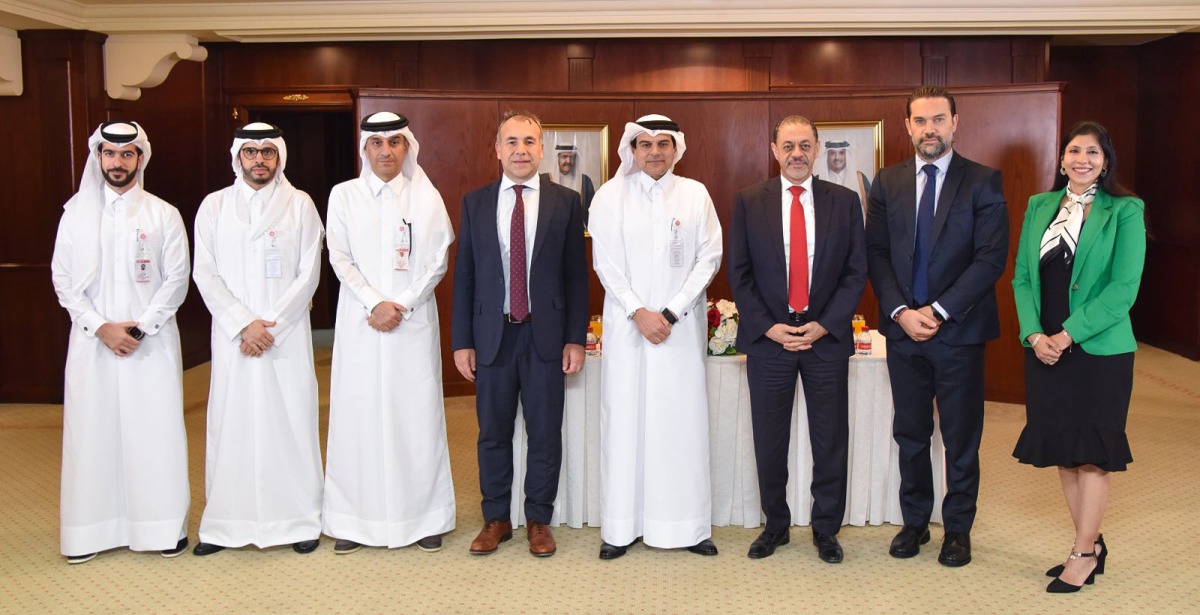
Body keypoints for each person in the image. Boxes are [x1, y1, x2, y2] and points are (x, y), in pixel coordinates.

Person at [865, 86, 1009, 567]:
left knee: (961, 437)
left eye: (938, 120)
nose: (930, 129)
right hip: (904, 332)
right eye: (921, 121)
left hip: (959, 333)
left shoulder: (984, 181)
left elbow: (990, 260)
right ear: (906, 126)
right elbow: (877, 254)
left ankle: (958, 531)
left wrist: (940, 311)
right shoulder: (887, 182)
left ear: (955, 123)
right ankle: (914, 523)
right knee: (910, 433)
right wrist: (901, 313)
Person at [1011, 121, 1145, 593]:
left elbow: (1123, 291)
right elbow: (1022, 279)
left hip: (1098, 351)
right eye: (1073, 150)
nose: (1081, 159)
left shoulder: (1125, 211)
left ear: (1106, 160)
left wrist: (1065, 335)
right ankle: (1090, 541)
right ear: (1062, 158)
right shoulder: (1039, 206)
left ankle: (1083, 553)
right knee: (1066, 454)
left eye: (1092, 152)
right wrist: (1033, 333)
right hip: (1043, 350)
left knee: (1093, 456)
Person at [728, 116, 867, 562]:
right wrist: (768, 326)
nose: (796, 154)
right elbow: (739, 273)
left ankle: (827, 529)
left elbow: (855, 272)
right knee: (770, 439)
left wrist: (825, 323)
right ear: (774, 150)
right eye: (788, 145)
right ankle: (776, 525)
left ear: (818, 148)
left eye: (805, 145)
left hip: (824, 338)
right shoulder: (750, 201)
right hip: (770, 339)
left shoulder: (843, 202)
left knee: (830, 439)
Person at [50, 121, 191, 564]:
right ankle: (90, 533)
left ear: (140, 159)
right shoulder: (75, 214)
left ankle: (162, 528)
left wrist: (140, 328)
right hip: (93, 343)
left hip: (150, 343)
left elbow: (176, 279)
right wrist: (101, 327)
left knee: (155, 432)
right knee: (93, 433)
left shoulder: (162, 213)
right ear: (98, 159)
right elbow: (63, 280)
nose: (118, 162)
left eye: (127, 154)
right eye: (110, 154)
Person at [451, 110, 589, 558]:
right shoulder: (475, 202)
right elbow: (465, 275)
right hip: (492, 336)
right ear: (497, 149)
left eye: (529, 141)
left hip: (545, 336)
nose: (520, 150)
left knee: (545, 431)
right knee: (492, 432)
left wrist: (575, 337)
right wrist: (461, 341)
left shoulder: (565, 203)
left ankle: (538, 520)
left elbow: (576, 276)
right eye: (511, 142)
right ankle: (496, 519)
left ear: (542, 148)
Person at [588, 114, 723, 560]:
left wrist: (669, 311)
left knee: (680, 424)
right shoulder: (610, 196)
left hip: (678, 331)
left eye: (663, 143)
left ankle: (687, 526)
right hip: (629, 329)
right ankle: (621, 527)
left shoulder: (695, 194)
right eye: (645, 144)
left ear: (676, 148)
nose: (655, 152)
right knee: (625, 423)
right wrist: (639, 312)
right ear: (632, 150)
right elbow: (605, 263)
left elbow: (709, 258)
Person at [322, 111, 456, 555]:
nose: (385, 151)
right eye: (377, 144)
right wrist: (373, 302)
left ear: (406, 147)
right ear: (365, 149)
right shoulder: (343, 196)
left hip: (411, 323)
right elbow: (340, 258)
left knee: (415, 416)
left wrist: (402, 304)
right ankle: (353, 521)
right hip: (361, 322)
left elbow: (438, 259)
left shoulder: (426, 196)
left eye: (394, 143)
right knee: (357, 416)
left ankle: (425, 517)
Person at [191, 122, 325, 556]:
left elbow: (309, 273)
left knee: (290, 422)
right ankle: (225, 524)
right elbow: (204, 273)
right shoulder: (214, 206)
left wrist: (270, 326)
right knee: (231, 424)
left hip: (283, 337)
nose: (260, 160)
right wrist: (242, 323)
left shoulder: (300, 205)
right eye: (251, 152)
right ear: (238, 157)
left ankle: (300, 519)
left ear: (279, 157)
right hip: (234, 338)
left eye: (268, 152)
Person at [821, 140, 872, 221]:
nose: (837, 158)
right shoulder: (817, 179)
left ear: (846, 155)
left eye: (841, 153)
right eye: (832, 153)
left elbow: (871, 212)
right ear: (827, 156)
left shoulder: (860, 179)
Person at [549, 143, 596, 222]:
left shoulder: (585, 181)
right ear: (557, 158)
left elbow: (591, 212)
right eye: (564, 157)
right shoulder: (546, 179)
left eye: (572, 157)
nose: (568, 161)